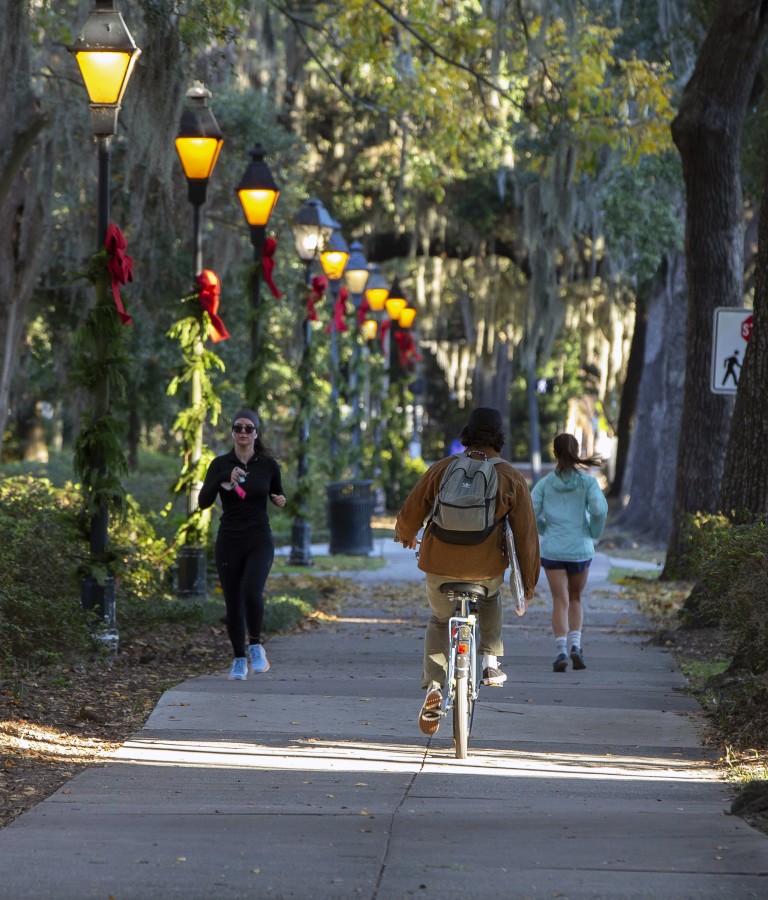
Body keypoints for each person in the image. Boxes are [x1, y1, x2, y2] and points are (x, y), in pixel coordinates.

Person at [395, 407, 540, 735]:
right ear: (500, 438)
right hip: (484, 569)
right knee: (491, 595)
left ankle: (434, 685)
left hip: (438, 565)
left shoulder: (443, 468)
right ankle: (490, 663)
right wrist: (528, 586)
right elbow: (527, 537)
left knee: (438, 618)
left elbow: (412, 509)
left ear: (467, 434)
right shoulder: (510, 476)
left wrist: (406, 536)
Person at [198, 409, 286, 681]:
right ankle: (239, 659)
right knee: (233, 601)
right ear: (232, 432)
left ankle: (256, 645)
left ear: (257, 433)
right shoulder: (220, 463)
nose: (243, 432)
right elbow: (203, 502)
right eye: (238, 428)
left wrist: (279, 499)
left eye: (249, 428)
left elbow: (277, 492)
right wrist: (223, 478)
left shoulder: (268, 465)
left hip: (259, 538)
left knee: (251, 591)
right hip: (229, 540)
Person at [530, 433, 608, 673]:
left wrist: (545, 529)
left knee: (559, 601)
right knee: (575, 598)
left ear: (555, 453)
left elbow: (530, 512)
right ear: (575, 451)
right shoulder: (587, 483)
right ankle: (576, 645)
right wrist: (592, 531)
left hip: (553, 549)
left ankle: (561, 650)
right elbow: (598, 509)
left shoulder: (544, 484)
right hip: (580, 550)